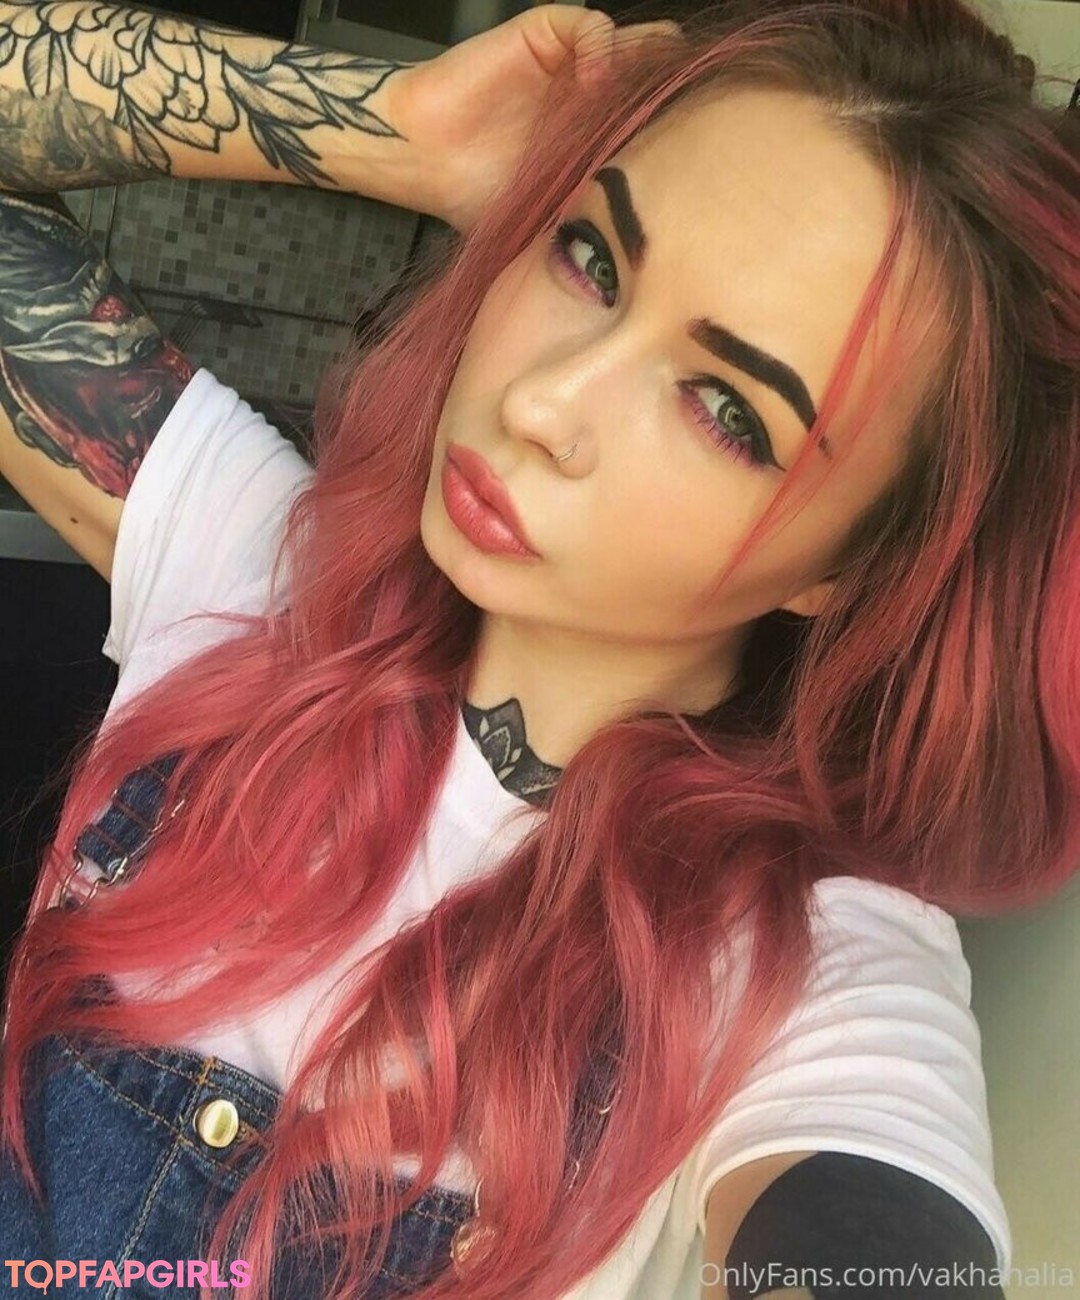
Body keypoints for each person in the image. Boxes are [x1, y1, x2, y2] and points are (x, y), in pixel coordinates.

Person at [0, 0, 1077, 1296]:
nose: (541, 402)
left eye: (727, 410)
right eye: (590, 256)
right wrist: (402, 132)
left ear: (848, 569)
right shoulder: (250, 562)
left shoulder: (804, 964)